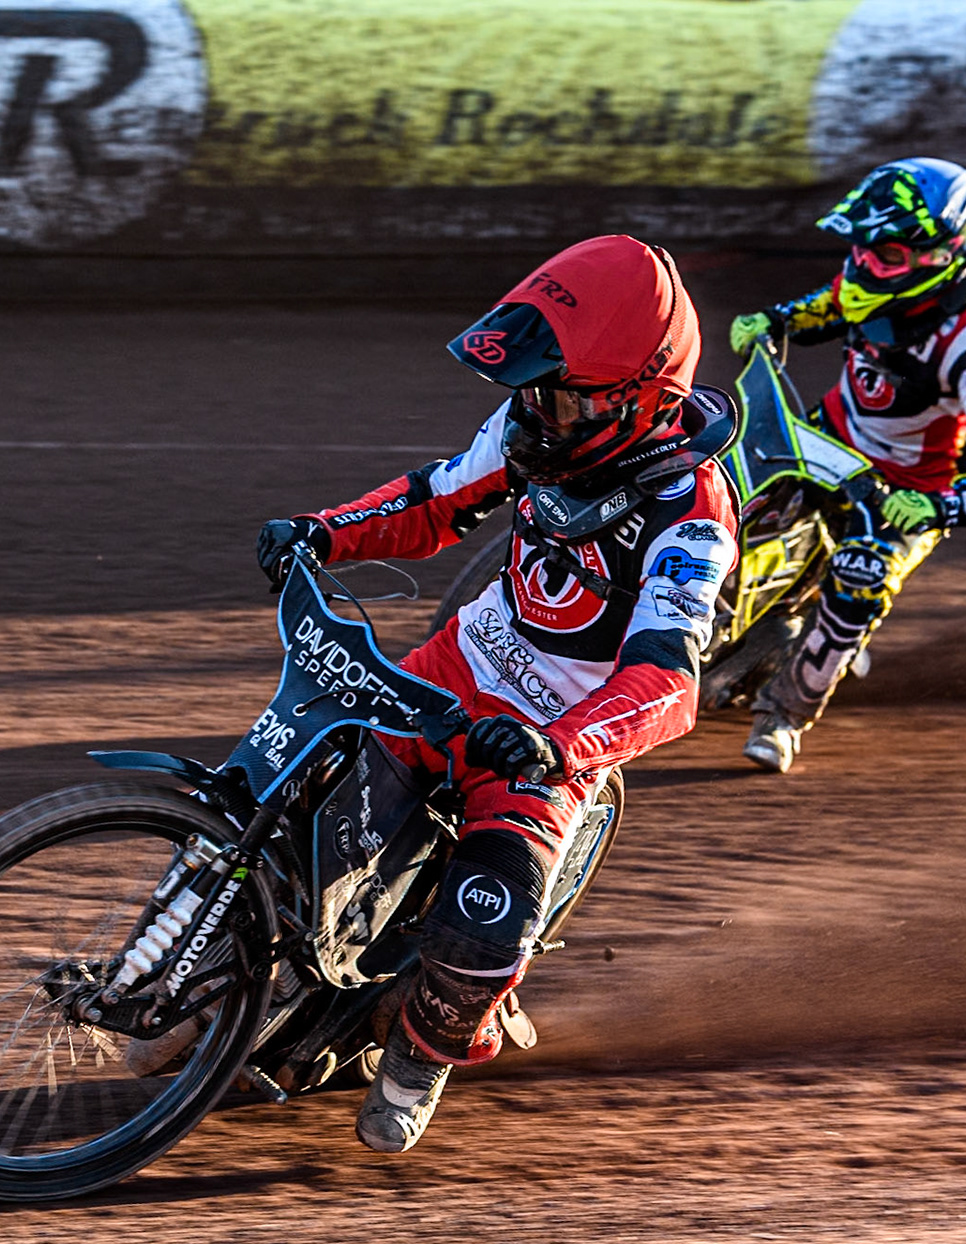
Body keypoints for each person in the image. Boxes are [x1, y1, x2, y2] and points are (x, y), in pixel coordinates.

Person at [255, 235, 739, 1153]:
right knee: (286, 786)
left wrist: (566, 748)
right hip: (454, 667)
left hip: (549, 738)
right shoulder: (534, 428)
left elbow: (671, 684)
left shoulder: (691, 512)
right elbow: (432, 503)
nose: (536, 410)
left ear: (636, 398)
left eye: (559, 391)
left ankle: (421, 1058)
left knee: (489, 913)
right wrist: (321, 533)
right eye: (531, 387)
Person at [727, 156, 966, 772]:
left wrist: (938, 506)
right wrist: (779, 319)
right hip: (830, 437)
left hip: (907, 486)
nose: (865, 265)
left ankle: (785, 713)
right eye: (861, 250)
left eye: (887, 257)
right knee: (721, 493)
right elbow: (840, 302)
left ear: (941, 255)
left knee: (862, 575)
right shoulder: (875, 269)